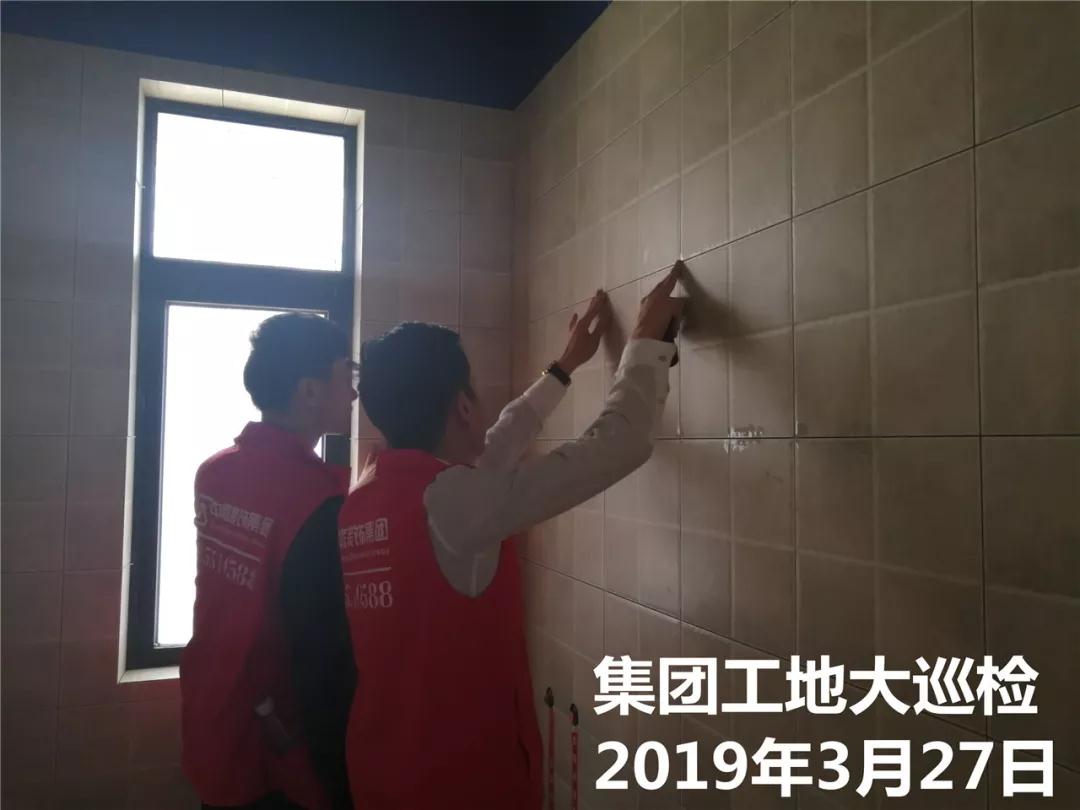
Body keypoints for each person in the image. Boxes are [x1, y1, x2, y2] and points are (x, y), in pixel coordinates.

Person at [339, 265, 685, 808]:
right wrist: (645, 344)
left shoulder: (368, 496)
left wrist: (563, 369)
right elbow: (620, 445)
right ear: (462, 405)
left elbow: (492, 454)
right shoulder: (451, 505)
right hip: (459, 784)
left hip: (386, 771)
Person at [181, 313, 357, 810]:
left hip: (214, 713)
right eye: (346, 375)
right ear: (310, 390)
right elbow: (322, 650)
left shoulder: (215, 472)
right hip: (280, 745)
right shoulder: (318, 499)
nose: (354, 393)